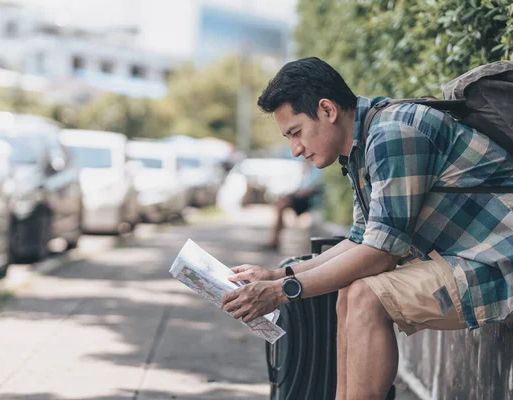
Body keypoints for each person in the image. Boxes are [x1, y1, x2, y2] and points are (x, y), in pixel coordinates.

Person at [220, 57, 513, 400]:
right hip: (470, 263)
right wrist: (276, 274)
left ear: (327, 109)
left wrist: (284, 290)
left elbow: (380, 255)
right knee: (351, 294)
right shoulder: (362, 146)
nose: (295, 149)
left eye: (296, 133)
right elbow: (361, 240)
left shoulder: (393, 132)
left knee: (365, 296)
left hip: (498, 266)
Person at [266, 159, 322, 251]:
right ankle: (275, 239)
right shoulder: (303, 173)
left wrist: (297, 193)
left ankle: (275, 240)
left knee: (281, 205)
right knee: (280, 204)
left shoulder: (317, 171)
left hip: (308, 201)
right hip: (300, 199)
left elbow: (312, 189)